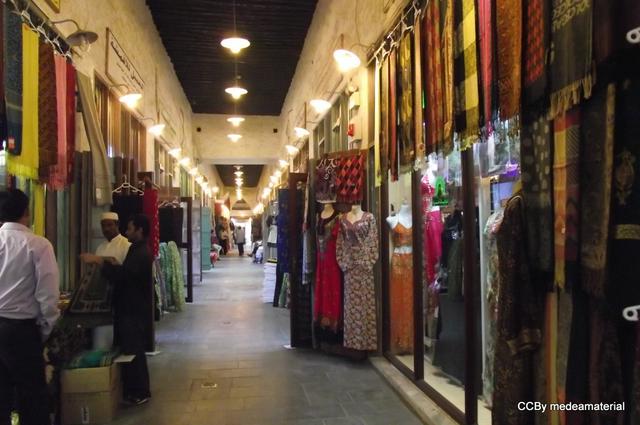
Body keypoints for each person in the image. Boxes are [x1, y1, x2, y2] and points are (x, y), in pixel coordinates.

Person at [0, 189, 60, 425]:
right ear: (27, 211)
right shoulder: (38, 245)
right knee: (32, 399)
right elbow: (48, 295)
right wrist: (44, 330)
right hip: (21, 331)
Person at [81, 214, 153, 405]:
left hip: (133, 308)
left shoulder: (137, 251)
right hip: (126, 306)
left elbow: (124, 275)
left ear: (139, 231)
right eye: (103, 225)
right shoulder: (137, 250)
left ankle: (140, 391)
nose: (127, 232)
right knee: (129, 349)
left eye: (130, 228)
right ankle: (132, 389)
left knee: (134, 350)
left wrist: (101, 262)